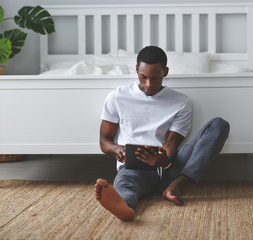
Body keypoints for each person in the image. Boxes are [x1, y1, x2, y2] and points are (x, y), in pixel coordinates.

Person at [94, 46, 230, 221]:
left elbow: (172, 143)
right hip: (136, 169)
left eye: (155, 77)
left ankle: (175, 186)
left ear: (165, 72)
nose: (148, 84)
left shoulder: (181, 102)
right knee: (126, 182)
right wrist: (116, 149)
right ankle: (125, 206)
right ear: (136, 70)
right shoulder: (117, 97)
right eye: (143, 77)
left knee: (219, 125)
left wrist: (163, 160)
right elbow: (104, 141)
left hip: (170, 168)